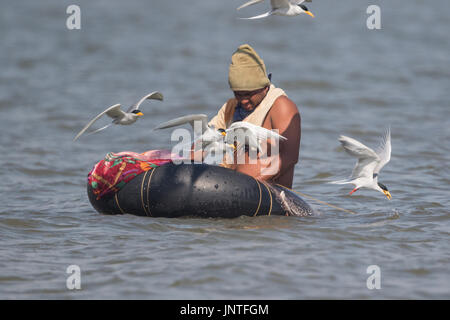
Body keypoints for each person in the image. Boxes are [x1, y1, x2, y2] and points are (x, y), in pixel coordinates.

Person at [208, 44, 301, 188]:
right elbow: (204, 144)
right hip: (230, 187)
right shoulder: (231, 107)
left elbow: (289, 156)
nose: (243, 100)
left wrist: (253, 183)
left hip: (266, 193)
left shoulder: (281, 106)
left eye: (249, 94)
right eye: (238, 94)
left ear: (264, 87)